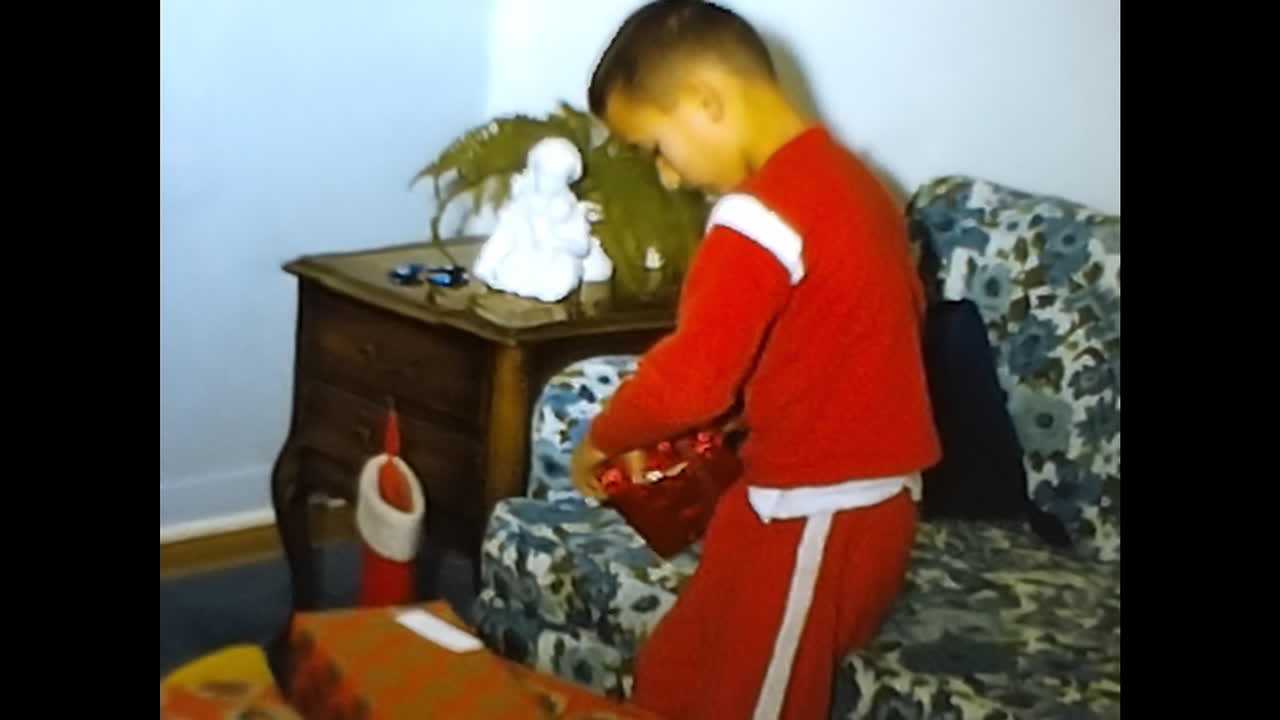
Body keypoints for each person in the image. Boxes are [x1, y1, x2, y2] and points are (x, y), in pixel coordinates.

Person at [568, 1, 942, 718]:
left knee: (751, 698)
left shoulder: (758, 213)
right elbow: (834, 341)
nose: (669, 179)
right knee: (682, 662)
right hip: (825, 498)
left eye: (654, 149)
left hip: (821, 507)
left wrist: (603, 437)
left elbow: (690, 379)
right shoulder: (856, 184)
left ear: (706, 101)